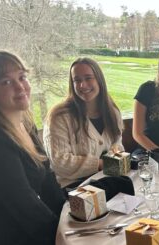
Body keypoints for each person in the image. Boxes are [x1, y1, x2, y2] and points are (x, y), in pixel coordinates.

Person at [0, 50, 66, 245]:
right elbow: (25, 206)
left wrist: (76, 213)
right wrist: (67, 237)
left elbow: (49, 184)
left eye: (22, 77)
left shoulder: (25, 125)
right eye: (6, 81)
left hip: (29, 235)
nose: (20, 87)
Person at [43, 58, 124, 188]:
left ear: (99, 79)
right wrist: (100, 164)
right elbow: (59, 162)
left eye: (88, 78)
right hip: (74, 189)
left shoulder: (113, 112)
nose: (82, 85)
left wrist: (113, 159)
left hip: (108, 179)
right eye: (77, 80)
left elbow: (117, 145)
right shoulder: (59, 117)